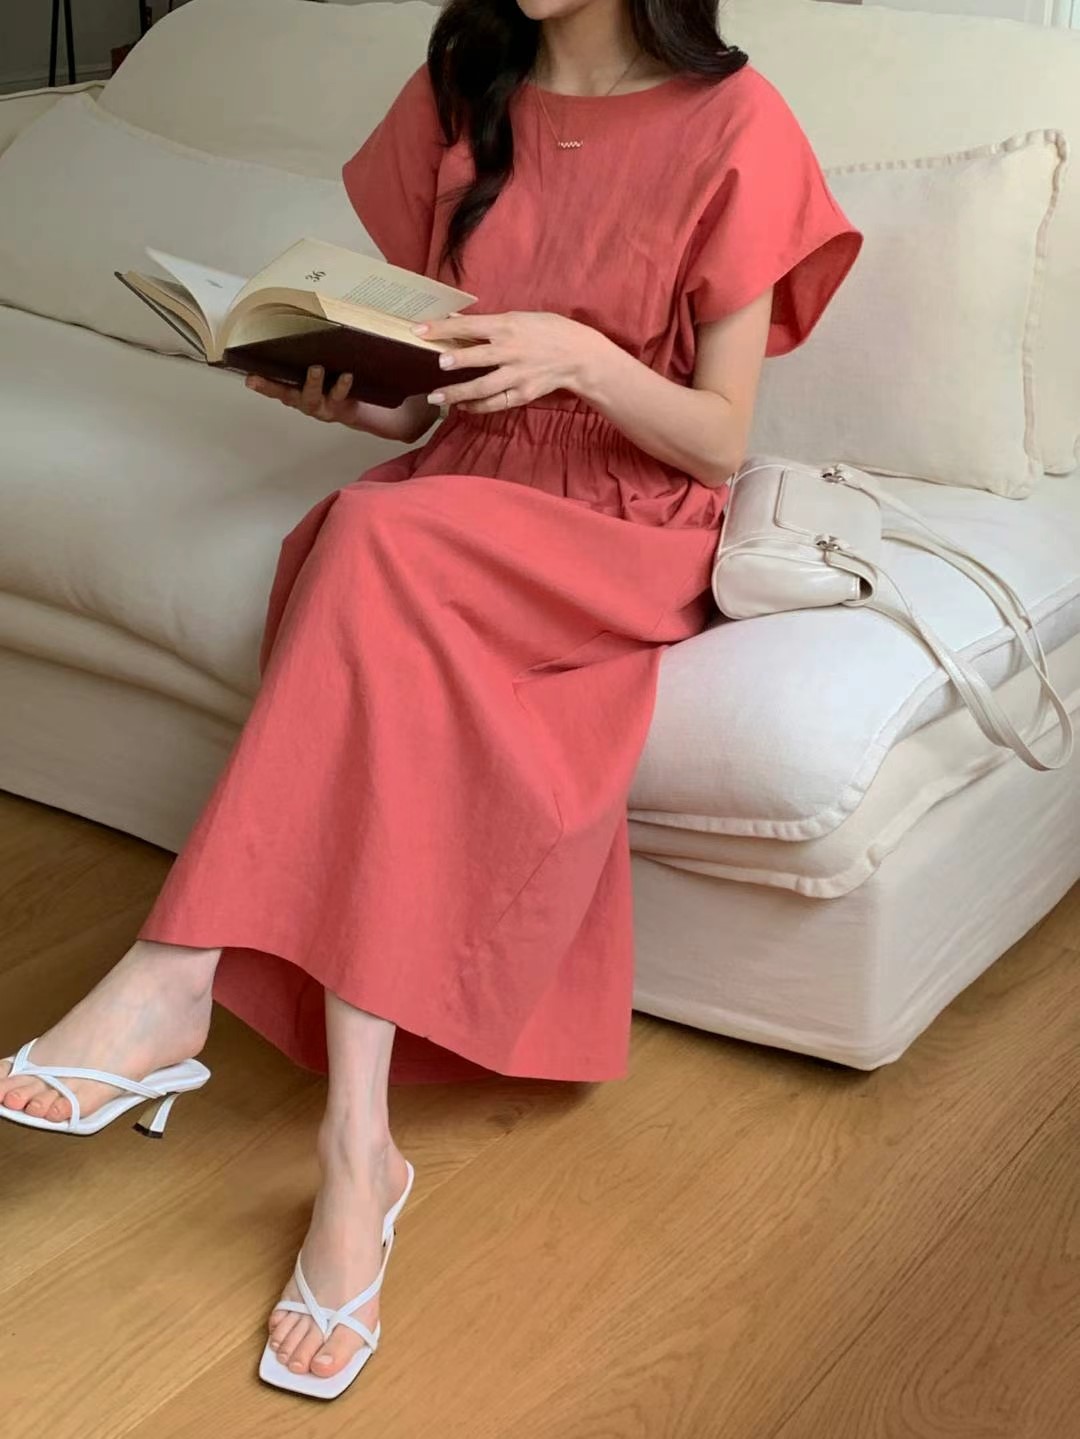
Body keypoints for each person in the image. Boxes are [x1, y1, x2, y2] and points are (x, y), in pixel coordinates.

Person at [0, 0, 862, 1401]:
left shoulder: (737, 124)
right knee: (377, 545)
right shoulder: (461, 88)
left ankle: (174, 970)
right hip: (459, 490)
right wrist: (348, 397)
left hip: (623, 520)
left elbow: (718, 440)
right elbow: (426, 399)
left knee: (370, 543)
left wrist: (584, 358)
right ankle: (359, 1152)